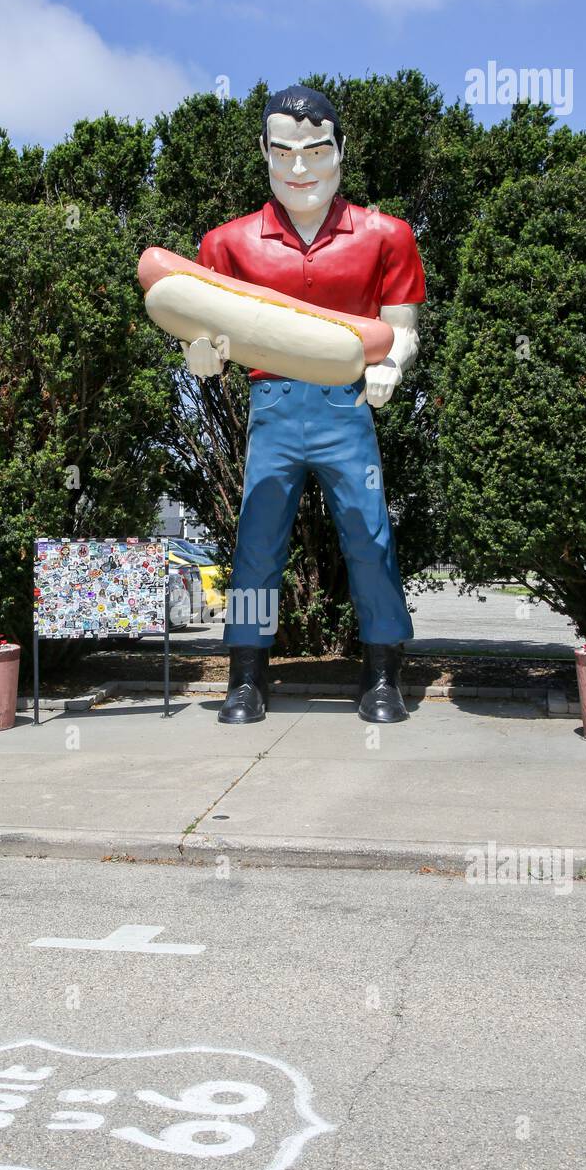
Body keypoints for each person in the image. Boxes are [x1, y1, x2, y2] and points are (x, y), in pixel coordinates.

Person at [183, 84, 425, 725]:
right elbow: (205, 329)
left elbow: (402, 325)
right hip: (275, 405)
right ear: (263, 153)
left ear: (341, 150)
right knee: (258, 541)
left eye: (315, 151)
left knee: (369, 535)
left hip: (348, 405)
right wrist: (201, 356)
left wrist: (392, 364)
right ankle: (246, 677)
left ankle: (382, 674)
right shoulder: (228, 243)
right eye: (283, 152)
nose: (299, 168)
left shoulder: (385, 235)